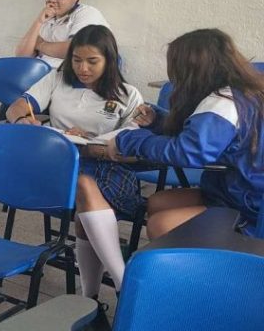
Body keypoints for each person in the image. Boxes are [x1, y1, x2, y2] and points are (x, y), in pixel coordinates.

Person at [5, 25, 153, 331]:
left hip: (109, 168)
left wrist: (95, 144)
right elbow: (16, 106)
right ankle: (124, 287)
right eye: (77, 60)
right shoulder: (58, 79)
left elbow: (131, 148)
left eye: (92, 61)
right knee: (84, 189)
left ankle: (93, 300)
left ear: (109, 60)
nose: (83, 68)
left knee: (85, 191)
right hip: (59, 165)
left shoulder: (128, 95)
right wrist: (23, 120)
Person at [110, 28, 264, 238]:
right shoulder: (237, 93)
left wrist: (128, 140)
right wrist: (158, 121)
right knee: (157, 202)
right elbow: (200, 135)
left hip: (249, 208)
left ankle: (205, 258)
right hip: (233, 191)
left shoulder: (223, 104)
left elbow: (187, 152)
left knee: (160, 225)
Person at [16, 0, 109, 68]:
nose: (52, 0)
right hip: (39, 72)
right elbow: (22, 56)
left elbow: (76, 50)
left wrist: (40, 44)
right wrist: (38, 21)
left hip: (70, 73)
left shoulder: (86, 13)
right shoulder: (48, 17)